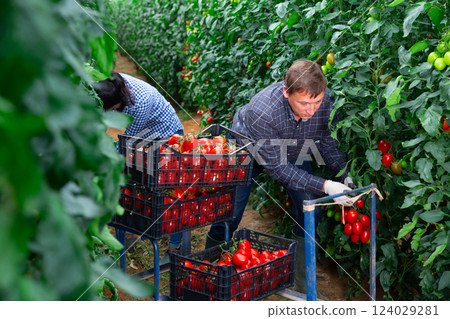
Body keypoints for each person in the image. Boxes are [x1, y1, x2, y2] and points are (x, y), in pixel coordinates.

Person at [205, 60, 355, 297]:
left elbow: (327, 143)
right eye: (304, 103)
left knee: (309, 209)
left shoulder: (325, 103)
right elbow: (279, 169)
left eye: (316, 102)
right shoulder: (262, 110)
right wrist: (326, 185)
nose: (311, 109)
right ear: (286, 92)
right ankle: (210, 272)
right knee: (230, 212)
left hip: (294, 146)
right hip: (248, 146)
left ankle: (305, 287)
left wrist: (344, 176)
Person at [93, 72, 185, 264]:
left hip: (167, 137)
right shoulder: (110, 83)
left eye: (110, 110)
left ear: (119, 103)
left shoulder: (139, 103)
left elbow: (127, 147)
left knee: (171, 192)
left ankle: (175, 248)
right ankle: (136, 234)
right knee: (139, 186)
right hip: (145, 140)